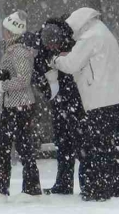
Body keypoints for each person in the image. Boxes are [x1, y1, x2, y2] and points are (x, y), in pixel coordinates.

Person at [52, 8, 119, 201]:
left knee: (97, 145)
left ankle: (97, 189)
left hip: (101, 99)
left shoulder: (89, 37)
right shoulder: (103, 31)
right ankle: (115, 187)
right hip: (117, 96)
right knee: (114, 145)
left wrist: (56, 60)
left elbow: (71, 64)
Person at [30, 18, 86, 195]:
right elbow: (37, 71)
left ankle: (87, 184)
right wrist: (46, 85)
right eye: (50, 46)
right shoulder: (42, 48)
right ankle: (63, 183)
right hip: (59, 99)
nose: (53, 49)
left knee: (80, 141)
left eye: (56, 45)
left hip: (76, 97)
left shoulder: (72, 41)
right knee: (62, 142)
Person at [0, 10, 41, 199]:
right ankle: (4, 190)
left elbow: (23, 80)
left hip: (20, 106)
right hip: (11, 105)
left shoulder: (19, 52)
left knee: (20, 147)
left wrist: (2, 85)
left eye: (5, 29)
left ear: (11, 31)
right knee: (9, 147)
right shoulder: (12, 50)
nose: (3, 32)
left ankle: (27, 189)